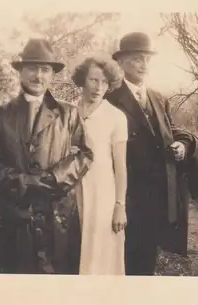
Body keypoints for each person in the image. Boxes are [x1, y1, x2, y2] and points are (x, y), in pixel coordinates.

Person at [0, 38, 94, 274]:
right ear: (20, 71)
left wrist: (54, 179)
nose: (38, 76)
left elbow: (85, 154)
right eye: (32, 68)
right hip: (15, 217)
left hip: (58, 219)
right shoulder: (0, 116)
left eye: (45, 69)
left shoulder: (69, 114)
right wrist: (22, 182)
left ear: (52, 74)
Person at [104, 32, 197, 275]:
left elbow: (171, 131)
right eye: (137, 59)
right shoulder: (110, 99)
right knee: (124, 261)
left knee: (146, 263)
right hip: (127, 197)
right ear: (121, 62)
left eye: (147, 59)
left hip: (157, 198)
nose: (144, 65)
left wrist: (182, 145)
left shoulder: (158, 98)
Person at [72, 56, 128, 275]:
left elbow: (121, 166)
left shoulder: (116, 117)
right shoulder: (67, 111)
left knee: (101, 255)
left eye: (105, 82)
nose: (99, 87)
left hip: (102, 193)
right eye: (94, 80)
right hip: (70, 190)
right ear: (82, 80)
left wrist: (119, 206)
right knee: (73, 251)